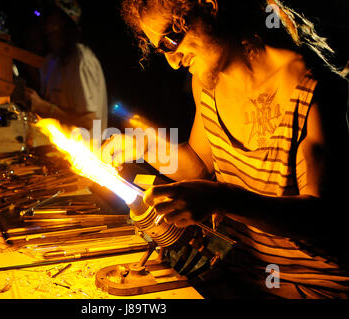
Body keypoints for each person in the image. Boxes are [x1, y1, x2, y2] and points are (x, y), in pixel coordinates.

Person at [103, 0, 349, 298]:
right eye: (160, 49)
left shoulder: (309, 85)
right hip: (239, 275)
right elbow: (198, 166)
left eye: (170, 41)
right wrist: (145, 145)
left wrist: (222, 198)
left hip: (311, 289)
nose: (172, 61)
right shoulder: (207, 83)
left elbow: (319, 218)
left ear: (209, 8)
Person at [25, 0, 108, 134]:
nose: (42, 19)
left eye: (50, 14)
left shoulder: (81, 60)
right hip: (60, 149)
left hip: (84, 152)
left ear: (61, 23)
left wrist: (44, 107)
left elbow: (89, 121)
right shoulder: (51, 60)